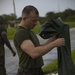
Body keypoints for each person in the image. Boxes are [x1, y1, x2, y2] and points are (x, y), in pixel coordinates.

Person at [13, 5, 65, 75]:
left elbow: (38, 48)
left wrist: (52, 40)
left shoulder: (30, 31)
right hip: (27, 72)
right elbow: (34, 53)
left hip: (36, 71)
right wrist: (54, 44)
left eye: (36, 20)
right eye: (33, 20)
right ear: (24, 18)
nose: (36, 23)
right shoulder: (20, 32)